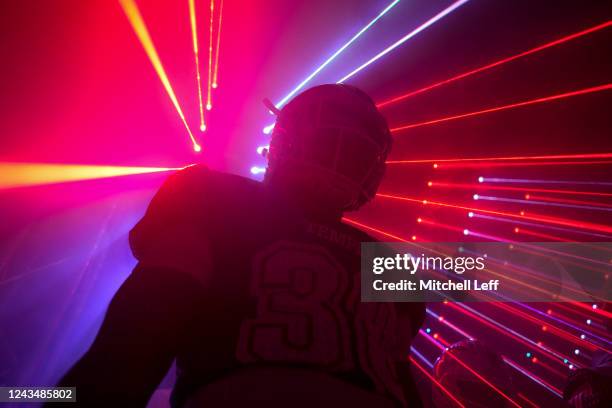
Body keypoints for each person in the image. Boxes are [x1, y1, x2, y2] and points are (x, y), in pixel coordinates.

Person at [53, 84, 425, 407]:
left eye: (356, 153)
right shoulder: (222, 202)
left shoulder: (217, 200)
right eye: (331, 143)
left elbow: (132, 343)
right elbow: (142, 330)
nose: (341, 157)